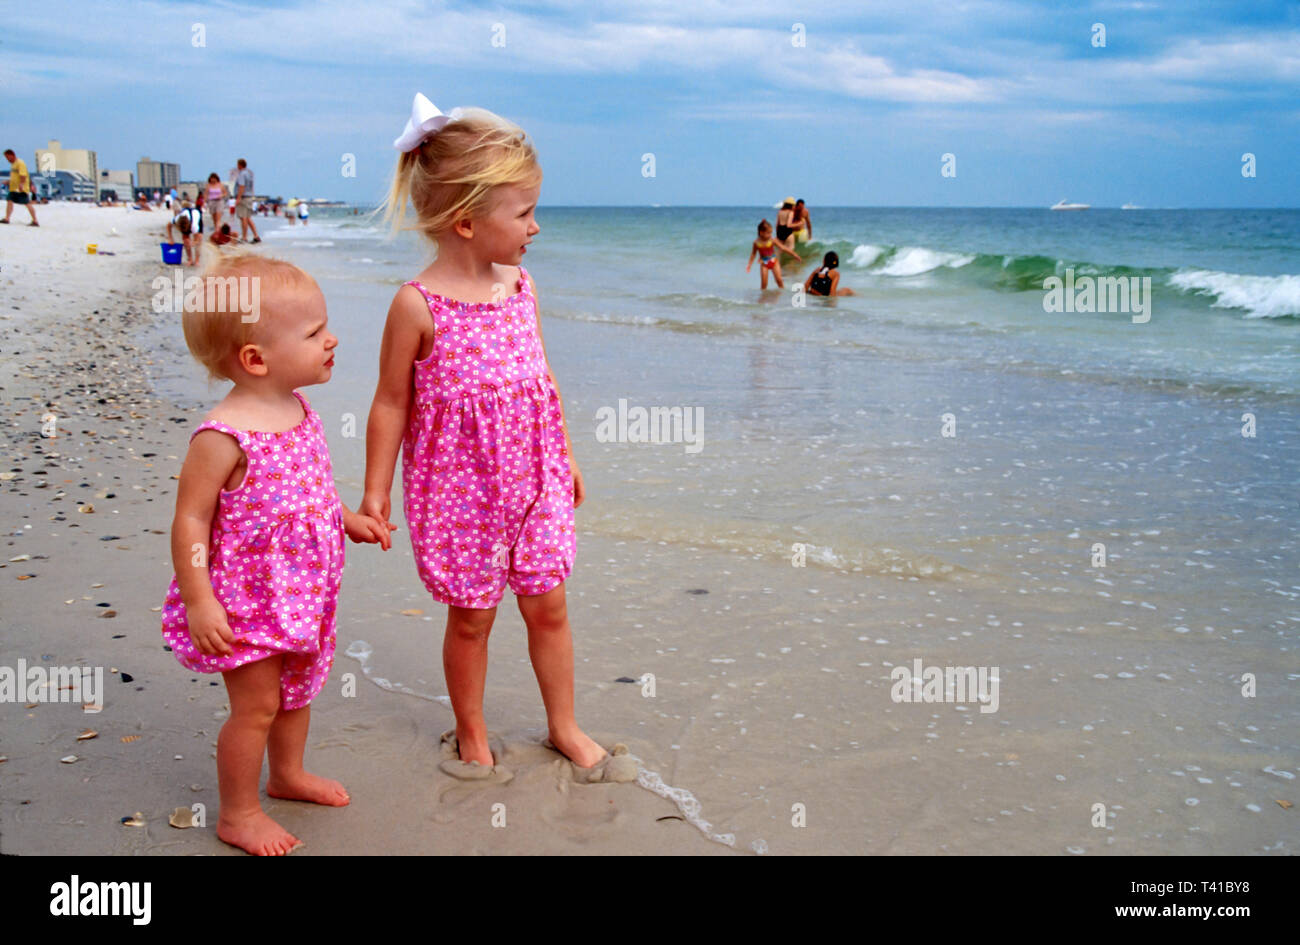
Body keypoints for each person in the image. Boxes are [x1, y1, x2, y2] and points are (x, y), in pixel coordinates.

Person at [361, 93, 632, 784]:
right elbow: (390, 403)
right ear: (466, 221)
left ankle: (564, 724)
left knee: (549, 604)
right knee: (473, 619)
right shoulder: (417, 305)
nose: (536, 227)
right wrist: (373, 494)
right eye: (523, 213)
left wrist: (565, 453)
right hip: (462, 492)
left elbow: (544, 378)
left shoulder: (521, 284)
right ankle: (472, 729)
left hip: (535, 480)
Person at [160, 251, 388, 855]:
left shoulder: (299, 408)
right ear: (255, 359)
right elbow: (190, 520)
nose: (332, 338)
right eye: (314, 333)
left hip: (306, 593)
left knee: (298, 692)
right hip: (248, 599)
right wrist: (199, 599)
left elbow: (303, 491)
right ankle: (237, 811)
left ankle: (286, 775)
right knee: (256, 706)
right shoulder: (222, 436)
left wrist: (346, 519)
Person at [747, 218, 799, 289]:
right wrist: (749, 265)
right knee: (764, 284)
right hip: (764, 264)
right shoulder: (756, 242)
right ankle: (763, 298)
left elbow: (783, 248)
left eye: (771, 232)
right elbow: (753, 254)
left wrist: (794, 254)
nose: (770, 235)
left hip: (774, 262)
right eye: (768, 233)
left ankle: (782, 294)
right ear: (761, 232)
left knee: (779, 280)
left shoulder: (772, 240)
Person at [2, 149, 39, 226]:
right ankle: (7, 218)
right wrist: (8, 182)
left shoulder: (20, 163)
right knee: (9, 200)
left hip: (21, 188)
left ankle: (35, 220)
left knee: (27, 203)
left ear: (12, 155)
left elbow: (23, 175)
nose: (7, 160)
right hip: (13, 188)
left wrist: (21, 184)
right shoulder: (13, 165)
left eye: (8, 157)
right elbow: (15, 177)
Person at [166, 199, 204, 266]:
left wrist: (194, 242)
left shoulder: (194, 225)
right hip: (185, 216)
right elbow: (168, 226)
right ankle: (190, 259)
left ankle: (197, 260)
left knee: (199, 240)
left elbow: (197, 239)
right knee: (185, 240)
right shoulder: (177, 218)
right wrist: (170, 238)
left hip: (196, 215)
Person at [233, 158, 261, 243]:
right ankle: (256, 236)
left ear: (239, 165)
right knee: (248, 218)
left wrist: (238, 198)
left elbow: (242, 186)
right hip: (248, 197)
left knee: (243, 218)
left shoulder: (242, 174)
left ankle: (244, 237)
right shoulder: (249, 174)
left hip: (243, 197)